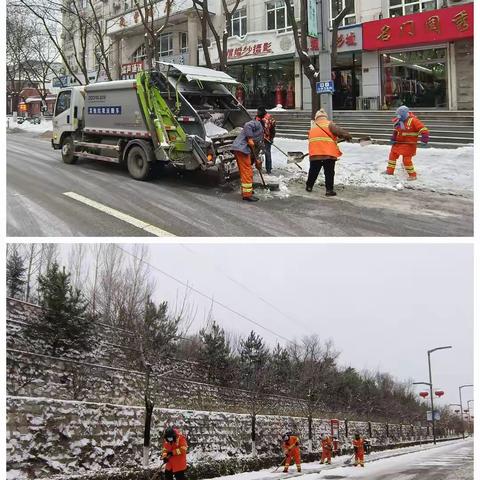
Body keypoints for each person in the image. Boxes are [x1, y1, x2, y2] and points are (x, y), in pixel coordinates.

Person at [306, 109, 352, 196]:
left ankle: (309, 186)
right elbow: (339, 131)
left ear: (316, 118)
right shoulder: (329, 124)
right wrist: (347, 135)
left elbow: (312, 138)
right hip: (328, 154)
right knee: (329, 172)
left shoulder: (313, 127)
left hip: (315, 153)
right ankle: (329, 190)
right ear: (325, 117)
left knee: (313, 171)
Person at [386, 105, 429, 180]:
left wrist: (424, 138)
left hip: (409, 144)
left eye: (400, 115)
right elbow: (396, 130)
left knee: (406, 161)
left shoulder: (414, 120)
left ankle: (412, 175)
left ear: (404, 114)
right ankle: (389, 171)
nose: (398, 116)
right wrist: (393, 138)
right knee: (392, 156)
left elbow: (423, 129)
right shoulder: (399, 121)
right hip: (398, 143)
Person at [231, 119, 264, 202]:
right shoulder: (258, 124)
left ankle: (246, 191)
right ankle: (247, 195)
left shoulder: (261, 138)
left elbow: (255, 154)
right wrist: (249, 138)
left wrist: (257, 163)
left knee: (245, 171)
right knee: (247, 172)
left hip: (242, 150)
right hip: (241, 149)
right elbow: (247, 125)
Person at [255, 107, 277, 174]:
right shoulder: (257, 118)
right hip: (258, 139)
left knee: (267, 154)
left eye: (259, 112)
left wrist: (271, 138)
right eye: (257, 111)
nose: (257, 113)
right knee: (257, 154)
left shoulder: (269, 119)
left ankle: (268, 169)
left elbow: (273, 130)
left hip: (267, 139)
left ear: (263, 112)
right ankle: (259, 167)